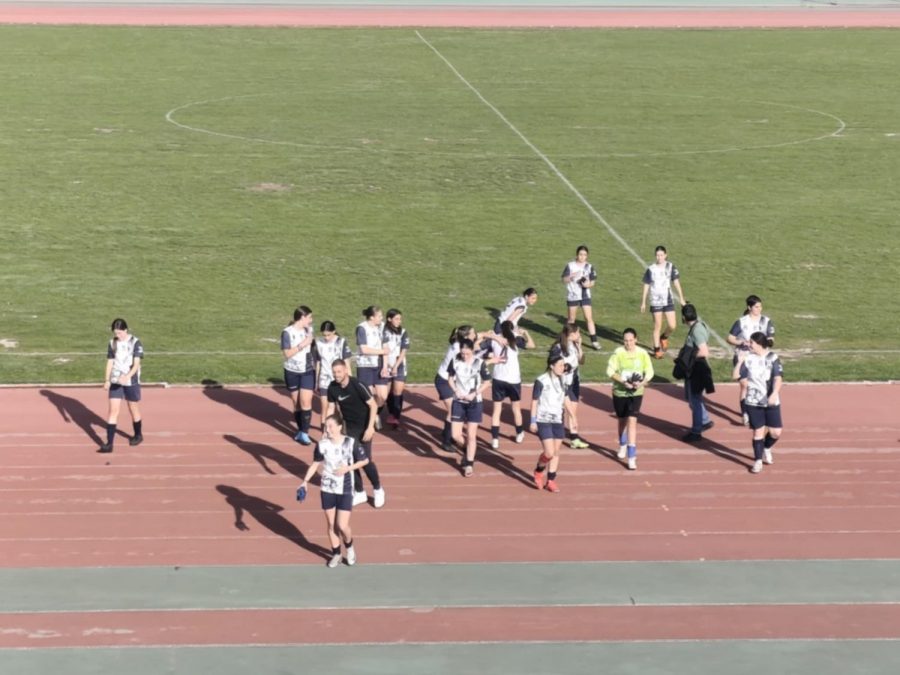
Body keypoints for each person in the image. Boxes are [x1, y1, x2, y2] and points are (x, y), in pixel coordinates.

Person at [298, 414, 370, 567]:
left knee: (342, 525)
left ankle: (349, 547)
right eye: (326, 426)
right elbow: (315, 464)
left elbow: (365, 460)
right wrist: (304, 482)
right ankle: (336, 553)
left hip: (345, 488)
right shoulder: (322, 445)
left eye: (330, 426)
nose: (327, 429)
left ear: (339, 427)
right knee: (331, 524)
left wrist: (348, 468)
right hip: (327, 488)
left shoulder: (350, 442)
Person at [326, 360, 385, 508]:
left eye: (339, 372)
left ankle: (378, 489)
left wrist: (370, 428)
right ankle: (360, 492)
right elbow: (331, 409)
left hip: (364, 427)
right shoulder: (332, 388)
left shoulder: (357, 385)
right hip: (349, 428)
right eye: (334, 372)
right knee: (351, 460)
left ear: (346, 370)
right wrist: (327, 429)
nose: (336, 375)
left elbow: (373, 405)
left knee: (365, 460)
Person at [435, 325, 493, 452]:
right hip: (445, 381)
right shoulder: (459, 351)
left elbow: (477, 342)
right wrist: (491, 357)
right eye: (473, 333)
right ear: (466, 336)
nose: (475, 334)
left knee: (452, 411)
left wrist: (488, 336)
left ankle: (448, 434)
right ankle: (447, 440)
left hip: (450, 380)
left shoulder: (460, 344)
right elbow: (474, 362)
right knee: (452, 411)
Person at [734, 332, 784, 474]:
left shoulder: (772, 358)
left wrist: (774, 393)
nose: (748, 344)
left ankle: (766, 448)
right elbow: (735, 376)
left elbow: (778, 378)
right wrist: (740, 361)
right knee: (758, 432)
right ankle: (757, 461)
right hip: (753, 402)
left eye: (751, 342)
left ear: (759, 344)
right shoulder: (749, 358)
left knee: (775, 432)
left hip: (771, 401)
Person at [606, 328, 654, 470]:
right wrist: (623, 381)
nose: (628, 343)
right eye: (626, 341)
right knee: (622, 421)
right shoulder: (618, 353)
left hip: (636, 393)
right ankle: (622, 444)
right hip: (620, 393)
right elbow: (610, 371)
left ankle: (632, 457)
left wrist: (642, 383)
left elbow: (650, 371)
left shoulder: (642, 354)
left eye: (631, 340)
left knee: (632, 421)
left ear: (636, 340)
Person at [727, 295, 776, 426]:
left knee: (760, 384)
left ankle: (759, 408)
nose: (759, 309)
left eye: (760, 306)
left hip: (760, 358)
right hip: (743, 356)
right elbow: (730, 338)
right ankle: (745, 413)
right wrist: (741, 342)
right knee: (745, 385)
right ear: (749, 307)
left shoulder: (766, 321)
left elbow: (771, 339)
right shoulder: (741, 322)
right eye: (756, 307)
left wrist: (763, 343)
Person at [447, 339, 492, 477]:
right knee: (455, 435)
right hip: (458, 401)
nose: (464, 356)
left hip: (474, 403)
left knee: (471, 435)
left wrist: (474, 394)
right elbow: (450, 378)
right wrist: (455, 390)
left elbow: (487, 382)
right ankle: (468, 451)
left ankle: (469, 464)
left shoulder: (480, 363)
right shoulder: (455, 361)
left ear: (472, 351)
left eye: (467, 353)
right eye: (462, 353)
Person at [99, 318, 144, 453]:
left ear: (126, 330)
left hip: (131, 380)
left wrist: (127, 377)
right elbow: (110, 362)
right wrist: (107, 380)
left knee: (132, 408)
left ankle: (138, 435)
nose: (117, 335)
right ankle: (109, 444)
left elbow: (136, 364)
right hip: (116, 380)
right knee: (113, 411)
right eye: (115, 333)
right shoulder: (112, 343)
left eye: (120, 333)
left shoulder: (135, 342)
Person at [489, 320, 534, 449]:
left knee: (496, 410)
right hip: (513, 380)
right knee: (516, 408)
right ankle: (519, 433)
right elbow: (531, 345)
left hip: (498, 378)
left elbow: (479, 347)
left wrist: (490, 335)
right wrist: (525, 333)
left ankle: (495, 439)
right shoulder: (516, 339)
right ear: (512, 329)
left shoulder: (495, 340)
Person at [529, 354, 569, 493]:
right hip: (543, 419)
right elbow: (534, 401)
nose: (563, 368)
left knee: (556, 452)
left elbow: (565, 399)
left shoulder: (563, 380)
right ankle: (539, 470)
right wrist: (532, 421)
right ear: (552, 366)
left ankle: (551, 481)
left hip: (558, 419)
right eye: (560, 365)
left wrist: (573, 417)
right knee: (549, 452)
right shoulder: (541, 381)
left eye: (563, 365)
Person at [640, 245, 686, 359]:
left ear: (665, 255)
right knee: (657, 325)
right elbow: (646, 285)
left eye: (661, 255)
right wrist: (643, 301)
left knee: (672, 325)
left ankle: (664, 337)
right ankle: (657, 350)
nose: (659, 257)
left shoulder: (670, 267)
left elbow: (676, 282)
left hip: (668, 299)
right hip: (655, 300)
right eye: (657, 255)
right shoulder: (651, 269)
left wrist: (681, 298)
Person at [549, 323, 588, 449]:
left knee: (573, 410)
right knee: (562, 409)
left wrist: (580, 347)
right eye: (577, 332)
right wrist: (564, 369)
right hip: (562, 381)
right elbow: (552, 364)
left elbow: (582, 361)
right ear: (570, 334)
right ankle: (557, 433)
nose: (579, 335)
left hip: (574, 380)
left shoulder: (575, 345)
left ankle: (574, 438)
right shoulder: (558, 347)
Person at [680, 303, 715, 443]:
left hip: (697, 370)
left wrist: (688, 357)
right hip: (695, 369)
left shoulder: (697, 330)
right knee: (693, 399)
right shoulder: (698, 326)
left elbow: (704, 351)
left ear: (684, 317)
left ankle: (696, 431)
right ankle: (704, 420)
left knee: (694, 400)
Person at [281, 305, 315, 445]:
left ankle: (305, 433)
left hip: (307, 370)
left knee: (306, 401)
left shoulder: (309, 330)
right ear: (302, 317)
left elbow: (313, 348)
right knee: (297, 403)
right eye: (309, 317)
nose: (311, 320)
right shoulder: (287, 333)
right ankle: (301, 431)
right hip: (292, 371)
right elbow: (287, 354)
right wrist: (303, 344)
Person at [355, 305, 389, 429]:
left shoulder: (382, 327)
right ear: (371, 317)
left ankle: (374, 413)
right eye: (379, 316)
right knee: (368, 395)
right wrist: (382, 352)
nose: (381, 318)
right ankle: (372, 418)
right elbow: (364, 349)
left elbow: (386, 347)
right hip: (365, 365)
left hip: (379, 365)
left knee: (383, 396)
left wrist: (385, 366)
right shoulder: (361, 328)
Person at [314, 321, 352, 430]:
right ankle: (324, 431)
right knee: (325, 406)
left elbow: (347, 363)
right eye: (324, 335)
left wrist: (350, 379)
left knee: (340, 407)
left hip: (339, 378)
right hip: (324, 378)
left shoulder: (341, 342)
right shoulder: (319, 343)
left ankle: (343, 428)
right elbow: (318, 363)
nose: (326, 337)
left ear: (334, 332)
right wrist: (316, 381)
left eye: (329, 335)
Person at [561, 245, 600, 350]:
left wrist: (588, 285)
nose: (582, 257)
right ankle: (566, 339)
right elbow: (564, 279)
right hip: (573, 295)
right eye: (580, 254)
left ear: (587, 256)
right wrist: (571, 277)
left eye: (584, 255)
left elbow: (592, 282)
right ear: (577, 255)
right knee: (571, 319)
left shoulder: (589, 267)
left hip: (585, 295)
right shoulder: (570, 266)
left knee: (589, 318)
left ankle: (594, 341)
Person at [379, 309, 410, 429]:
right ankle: (376, 415)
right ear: (389, 319)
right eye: (396, 319)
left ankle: (395, 417)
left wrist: (396, 366)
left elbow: (404, 351)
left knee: (398, 392)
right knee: (384, 394)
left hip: (399, 365)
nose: (399, 321)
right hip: (385, 364)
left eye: (400, 319)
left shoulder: (403, 332)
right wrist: (387, 365)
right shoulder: (383, 331)